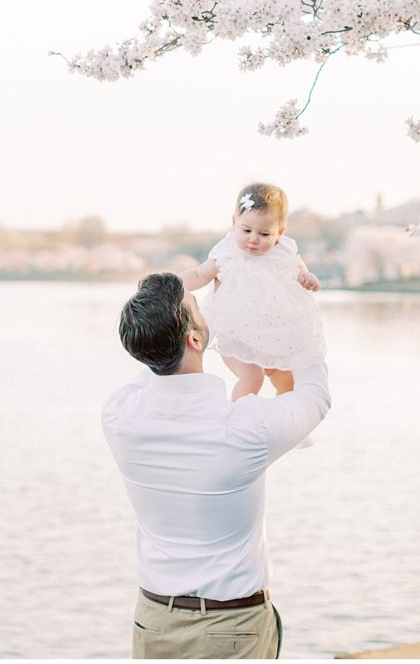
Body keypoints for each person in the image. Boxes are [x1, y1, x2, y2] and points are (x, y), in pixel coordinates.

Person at [101, 271, 330, 659]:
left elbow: (156, 360)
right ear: (194, 339)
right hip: (231, 628)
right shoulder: (244, 428)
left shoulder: (119, 414)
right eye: (195, 306)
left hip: (154, 621)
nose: (201, 305)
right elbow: (315, 397)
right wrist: (298, 326)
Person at [181, 182, 325, 400]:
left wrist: (306, 277)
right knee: (252, 379)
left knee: (288, 382)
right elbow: (199, 275)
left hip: (275, 333)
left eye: (264, 234)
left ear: (280, 233)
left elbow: (298, 267)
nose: (253, 239)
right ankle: (237, 416)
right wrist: (172, 283)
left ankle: (283, 416)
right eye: (246, 230)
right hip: (235, 330)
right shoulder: (227, 252)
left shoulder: (284, 250)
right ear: (234, 223)